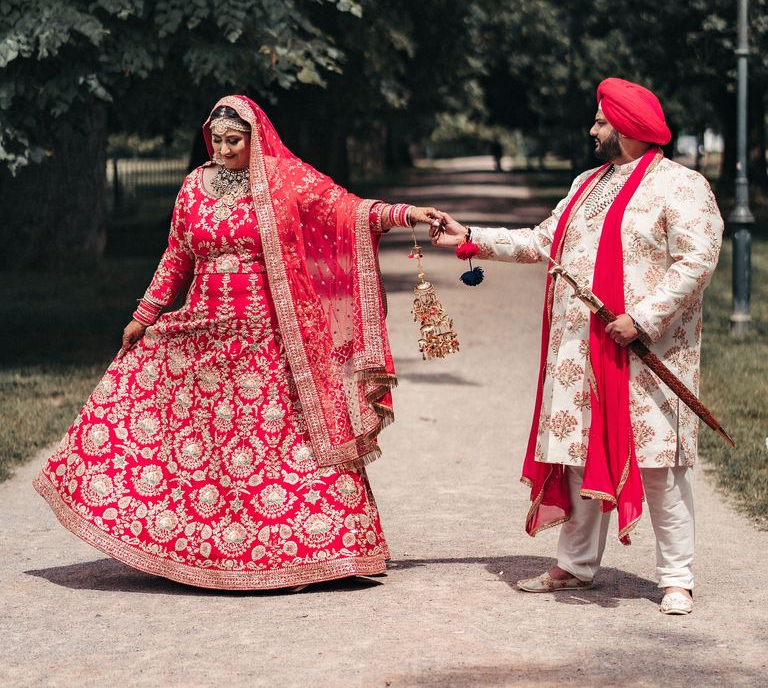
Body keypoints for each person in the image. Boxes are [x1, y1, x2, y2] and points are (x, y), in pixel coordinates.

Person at [34, 95, 443, 591]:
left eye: (234, 141)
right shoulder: (193, 188)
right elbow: (176, 257)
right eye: (217, 141)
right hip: (206, 331)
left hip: (271, 337)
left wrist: (406, 214)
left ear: (255, 138)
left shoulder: (283, 181)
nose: (224, 151)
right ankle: (200, 546)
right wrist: (144, 314)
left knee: (281, 445)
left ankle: (312, 552)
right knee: (205, 443)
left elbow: (349, 210)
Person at [431, 78, 723, 615]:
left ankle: (676, 578)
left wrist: (643, 317)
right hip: (578, 350)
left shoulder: (680, 187)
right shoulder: (588, 183)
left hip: (643, 353)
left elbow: (696, 260)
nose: (592, 130)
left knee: (658, 464)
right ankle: (576, 566)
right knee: (578, 455)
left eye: (601, 121)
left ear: (628, 126)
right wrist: (469, 234)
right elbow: (544, 242)